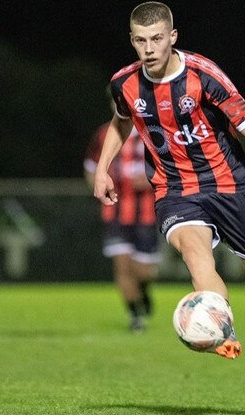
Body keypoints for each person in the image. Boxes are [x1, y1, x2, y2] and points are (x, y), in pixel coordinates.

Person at [94, 1, 245, 389]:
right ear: (132, 41)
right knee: (197, 257)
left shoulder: (203, 75)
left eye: (157, 39)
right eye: (141, 41)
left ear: (173, 37)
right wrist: (102, 169)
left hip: (229, 185)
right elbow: (121, 121)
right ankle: (222, 328)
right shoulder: (124, 84)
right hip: (174, 189)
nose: (150, 48)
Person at [84, 94, 161, 332]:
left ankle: (144, 292)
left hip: (147, 213)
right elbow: (90, 167)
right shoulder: (103, 134)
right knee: (122, 267)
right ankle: (136, 317)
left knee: (143, 271)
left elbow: (173, 170)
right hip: (116, 212)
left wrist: (151, 181)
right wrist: (99, 190)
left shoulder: (155, 134)